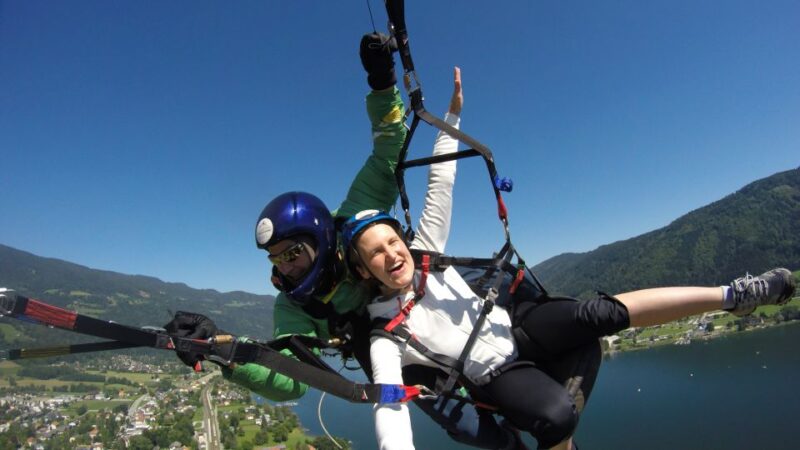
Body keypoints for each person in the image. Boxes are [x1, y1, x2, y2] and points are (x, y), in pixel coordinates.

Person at [341, 70, 797, 450]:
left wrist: (452, 116)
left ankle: (737, 295)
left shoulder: (427, 251)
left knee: (600, 313)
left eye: (393, 241)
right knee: (557, 418)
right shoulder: (385, 334)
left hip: (518, 324)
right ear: (362, 269)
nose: (392, 254)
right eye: (376, 253)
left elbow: (441, 181)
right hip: (497, 374)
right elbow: (390, 403)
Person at [164, 34, 522, 449]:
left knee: (511, 340)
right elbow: (291, 377)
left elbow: (389, 149)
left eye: (292, 254)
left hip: (425, 296)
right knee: (469, 426)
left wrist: (382, 83)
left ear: (321, 240)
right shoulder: (295, 305)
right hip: (390, 346)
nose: (284, 268)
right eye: (276, 260)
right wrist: (226, 351)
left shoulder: (354, 216)